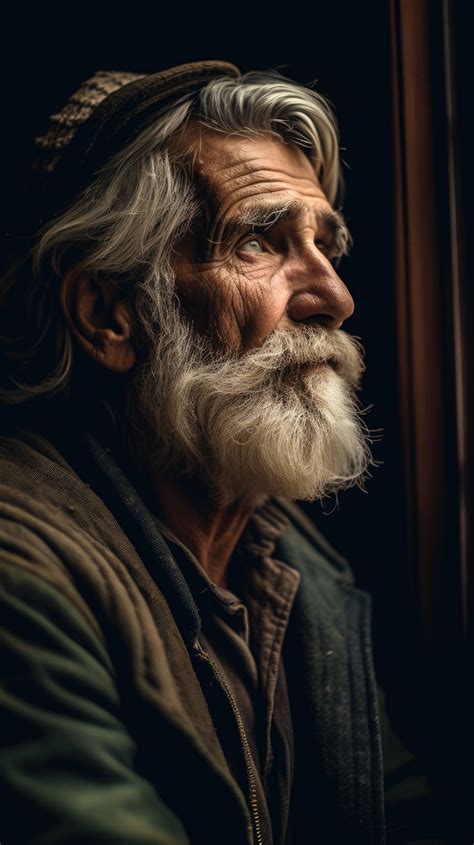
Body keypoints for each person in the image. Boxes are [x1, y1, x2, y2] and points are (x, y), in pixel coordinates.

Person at [0, 60, 457, 845]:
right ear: (110, 314)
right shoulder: (21, 568)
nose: (336, 298)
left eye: (325, 244)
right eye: (259, 241)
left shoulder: (295, 565)